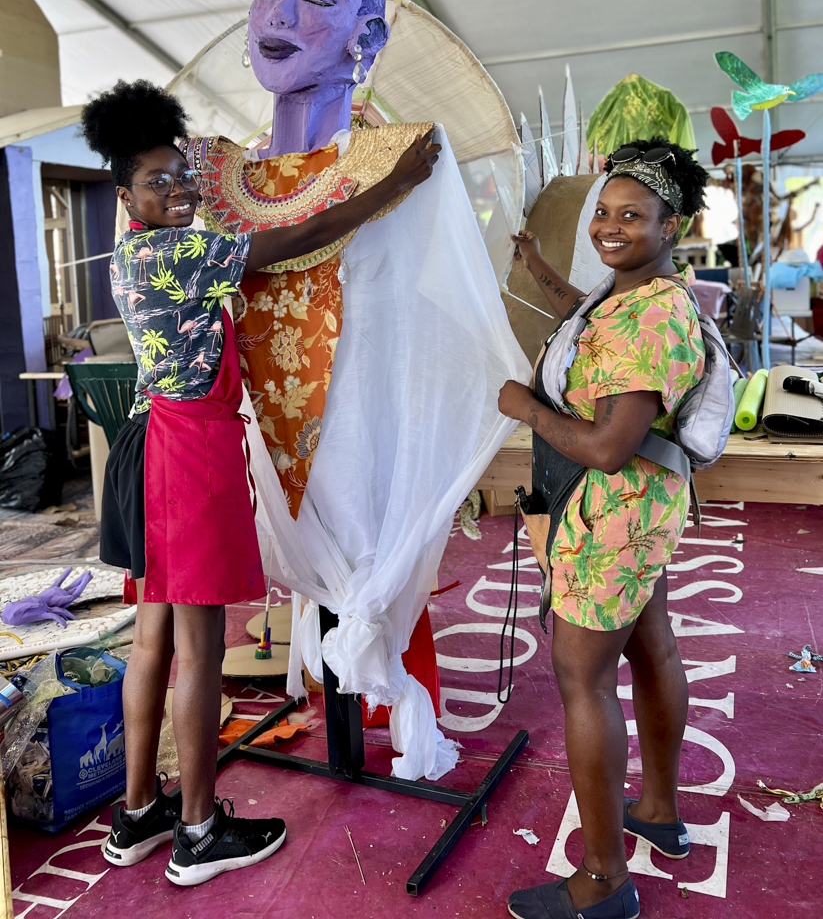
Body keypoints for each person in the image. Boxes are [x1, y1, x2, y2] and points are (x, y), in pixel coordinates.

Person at [81, 79, 438, 886]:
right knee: (199, 650)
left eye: (181, 177)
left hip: (150, 444)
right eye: (155, 182)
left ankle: (138, 814)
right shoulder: (182, 254)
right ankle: (201, 831)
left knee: (153, 639)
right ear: (123, 194)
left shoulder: (129, 256)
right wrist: (397, 181)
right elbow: (304, 236)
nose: (175, 191)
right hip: (186, 455)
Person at [498, 139, 709, 919]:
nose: (611, 228)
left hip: (610, 513)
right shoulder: (633, 296)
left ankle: (603, 880)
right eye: (604, 214)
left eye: (633, 216)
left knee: (581, 677)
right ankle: (656, 810)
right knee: (652, 648)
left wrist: (525, 407)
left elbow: (607, 447)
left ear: (671, 225)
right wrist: (536, 265)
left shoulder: (653, 317)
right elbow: (582, 319)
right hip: (640, 515)